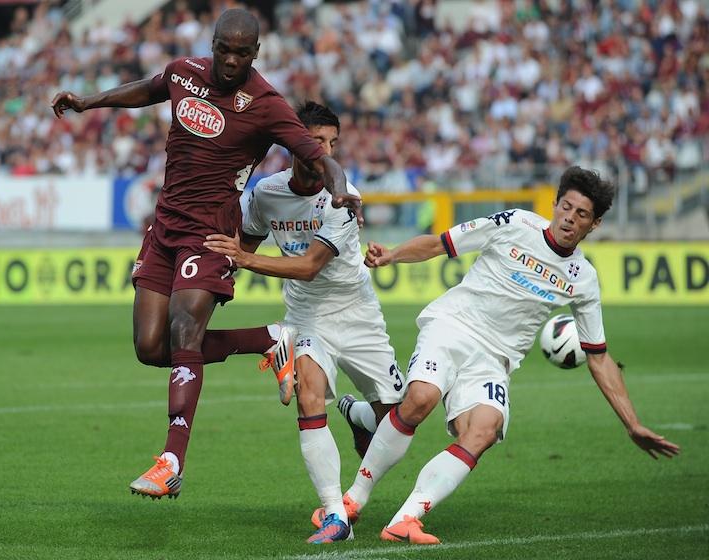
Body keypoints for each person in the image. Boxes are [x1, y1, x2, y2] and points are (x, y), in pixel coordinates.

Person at [50, 8, 362, 501]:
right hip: (165, 228)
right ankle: (270, 337)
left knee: (184, 327)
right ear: (212, 43)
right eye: (224, 49)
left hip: (212, 234)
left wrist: (341, 190)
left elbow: (321, 156)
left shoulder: (265, 102)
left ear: (256, 53)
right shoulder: (184, 72)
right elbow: (150, 89)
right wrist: (89, 101)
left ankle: (171, 460)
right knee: (151, 348)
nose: (232, 60)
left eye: (242, 52)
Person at [332, 166, 680, 544]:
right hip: (453, 325)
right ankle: (351, 501)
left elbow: (598, 356)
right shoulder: (516, 223)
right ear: (555, 204)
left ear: (593, 225)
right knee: (420, 399)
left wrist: (632, 423)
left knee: (484, 429)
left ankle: (406, 519)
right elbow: (440, 244)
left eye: (582, 214)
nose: (569, 218)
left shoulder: (584, 278)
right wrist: (391, 257)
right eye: (566, 207)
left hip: (495, 359)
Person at [204, 101, 405, 544]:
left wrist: (244, 258)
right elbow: (247, 240)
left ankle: (359, 415)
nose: (328, 152)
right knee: (309, 397)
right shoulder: (267, 192)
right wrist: (220, 273)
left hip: (356, 313)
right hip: (306, 316)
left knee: (399, 415)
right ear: (294, 144)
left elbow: (311, 265)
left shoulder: (342, 195)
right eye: (318, 143)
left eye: (334, 143)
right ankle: (336, 515)